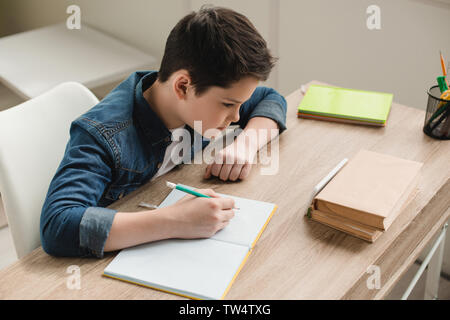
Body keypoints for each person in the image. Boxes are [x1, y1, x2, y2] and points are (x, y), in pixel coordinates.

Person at [40, 6, 287, 258]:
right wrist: (175, 221)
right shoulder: (103, 135)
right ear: (183, 86)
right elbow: (57, 225)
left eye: (240, 105)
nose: (236, 117)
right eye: (228, 104)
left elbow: (269, 99)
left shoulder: (191, 99)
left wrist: (244, 145)